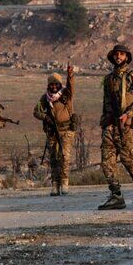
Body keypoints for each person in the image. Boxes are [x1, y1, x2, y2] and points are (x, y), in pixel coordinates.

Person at [98, 44, 133, 210]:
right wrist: (105, 121)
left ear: (126, 57)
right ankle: (116, 195)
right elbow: (106, 102)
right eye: (116, 54)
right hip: (111, 125)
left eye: (121, 54)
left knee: (130, 161)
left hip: (127, 126)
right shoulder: (108, 79)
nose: (118, 57)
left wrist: (129, 113)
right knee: (107, 162)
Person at [33, 65, 75, 196]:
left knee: (65, 157)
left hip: (66, 131)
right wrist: (45, 116)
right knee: (53, 159)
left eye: (56, 84)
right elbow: (36, 112)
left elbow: (71, 86)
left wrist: (70, 75)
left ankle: (64, 183)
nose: (54, 87)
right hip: (52, 132)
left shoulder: (66, 95)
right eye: (51, 84)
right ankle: (55, 185)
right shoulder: (44, 98)